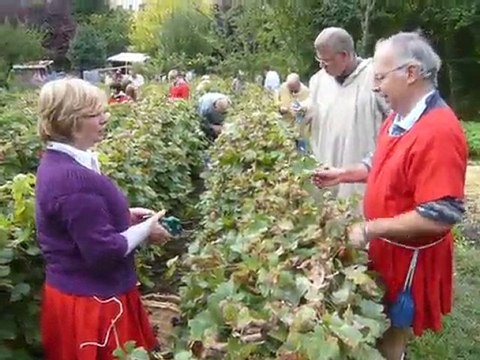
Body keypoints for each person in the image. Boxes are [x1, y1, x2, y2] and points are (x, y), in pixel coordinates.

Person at [313, 32, 468, 360]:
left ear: (410, 74)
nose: (374, 86)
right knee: (379, 322)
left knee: (389, 335)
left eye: (380, 77)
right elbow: (380, 159)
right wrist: (345, 173)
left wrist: (371, 229)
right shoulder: (400, 117)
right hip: (388, 248)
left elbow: (441, 213)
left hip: (408, 257)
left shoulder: (439, 131)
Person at [35, 78, 172, 359]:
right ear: (72, 121)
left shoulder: (64, 164)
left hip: (83, 294)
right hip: (93, 304)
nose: (105, 118)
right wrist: (147, 228)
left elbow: (82, 223)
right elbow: (103, 252)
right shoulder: (72, 180)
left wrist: (123, 217)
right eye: (96, 114)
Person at [300, 27, 389, 199]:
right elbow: (312, 111)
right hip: (326, 175)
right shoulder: (318, 81)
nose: (321, 66)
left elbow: (397, 121)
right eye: (319, 60)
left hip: (361, 179)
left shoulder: (374, 78)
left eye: (326, 61)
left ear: (344, 56)